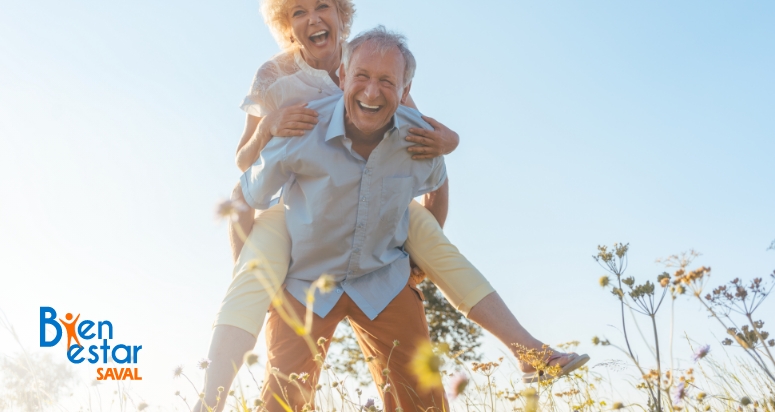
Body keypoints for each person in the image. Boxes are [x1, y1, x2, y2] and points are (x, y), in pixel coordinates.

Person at [194, 1, 587, 410]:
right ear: (344, 75)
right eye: (298, 11)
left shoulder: (379, 63)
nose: (312, 18)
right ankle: (210, 401)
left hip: (378, 242)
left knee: (435, 256)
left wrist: (448, 145)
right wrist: (271, 128)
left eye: (323, 5)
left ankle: (526, 349)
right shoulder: (283, 91)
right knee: (277, 376)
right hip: (305, 224)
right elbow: (245, 171)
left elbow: (426, 148)